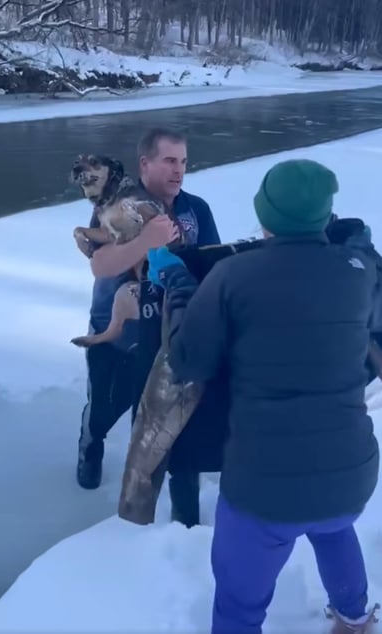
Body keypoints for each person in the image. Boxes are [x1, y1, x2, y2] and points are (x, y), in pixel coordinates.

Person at [147, 158, 380, 634]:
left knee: (238, 604)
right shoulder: (358, 271)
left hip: (264, 483)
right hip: (350, 471)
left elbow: (189, 359)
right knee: (333, 526)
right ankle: (355, 619)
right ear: (324, 215)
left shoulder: (233, 277)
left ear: (266, 214)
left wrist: (174, 280)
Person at [75, 128, 222, 530]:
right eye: (169, 161)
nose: (179, 171)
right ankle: (91, 444)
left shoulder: (196, 210)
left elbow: (210, 265)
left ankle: (184, 516)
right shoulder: (117, 203)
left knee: (178, 430)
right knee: (104, 409)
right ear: (145, 164)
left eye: (184, 162)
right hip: (118, 331)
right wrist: (150, 240)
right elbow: (101, 265)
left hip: (171, 337)